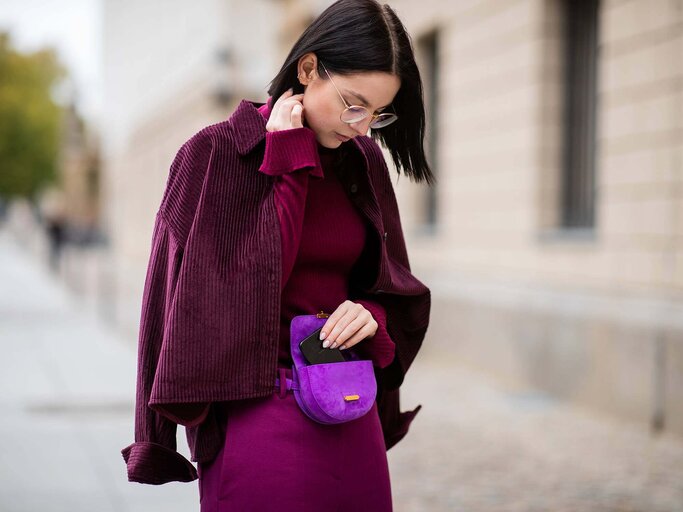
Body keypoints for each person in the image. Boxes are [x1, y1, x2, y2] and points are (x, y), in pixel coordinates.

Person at [121, 0, 434, 510]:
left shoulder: (361, 161)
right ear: (308, 69)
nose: (362, 126)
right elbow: (189, 297)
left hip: (346, 401)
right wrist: (289, 165)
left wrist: (371, 315)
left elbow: (393, 283)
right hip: (252, 412)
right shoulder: (214, 153)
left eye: (379, 113)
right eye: (353, 104)